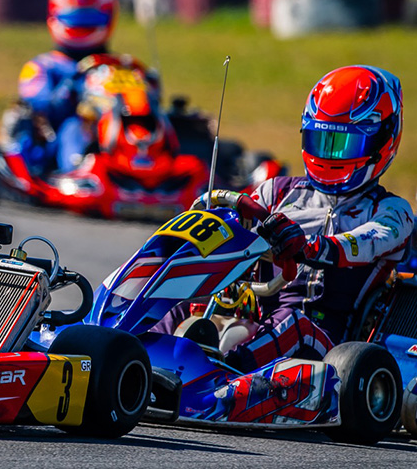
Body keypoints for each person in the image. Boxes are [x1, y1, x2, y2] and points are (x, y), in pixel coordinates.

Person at [159, 65, 413, 373]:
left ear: (381, 142)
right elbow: (232, 227)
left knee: (295, 324)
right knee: (182, 298)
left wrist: (308, 246)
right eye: (322, 142)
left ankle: (221, 374)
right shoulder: (277, 192)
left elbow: (365, 242)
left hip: (330, 342)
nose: (331, 157)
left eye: (344, 145)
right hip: (258, 316)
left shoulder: (392, 212)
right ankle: (137, 354)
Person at [4, 0, 159, 177]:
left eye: (90, 19)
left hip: (126, 128)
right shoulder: (43, 66)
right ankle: (79, 171)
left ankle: (157, 167)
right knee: (75, 126)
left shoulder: (125, 65)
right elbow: (42, 108)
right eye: (74, 18)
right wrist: (74, 86)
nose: (81, 25)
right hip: (65, 134)